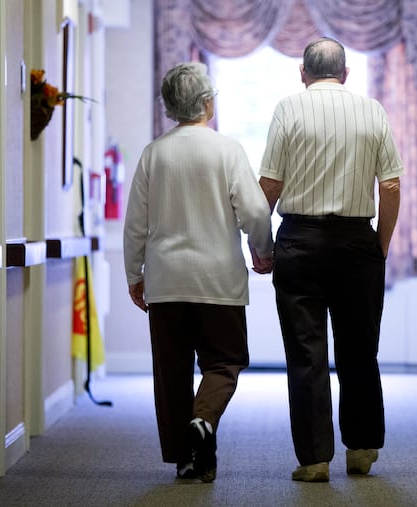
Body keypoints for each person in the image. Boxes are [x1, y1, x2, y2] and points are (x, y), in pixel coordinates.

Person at [256, 37, 403, 482]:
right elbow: (391, 187)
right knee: (360, 349)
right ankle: (361, 450)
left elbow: (269, 186)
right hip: (358, 241)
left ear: (302, 73)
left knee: (306, 353)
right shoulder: (372, 110)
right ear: (346, 73)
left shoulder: (288, 109)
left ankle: (315, 459)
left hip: (300, 240)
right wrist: (380, 244)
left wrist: (262, 246)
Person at [123, 62, 274, 483]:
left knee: (171, 372)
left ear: (170, 106)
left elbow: (136, 223)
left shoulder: (154, 153)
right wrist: (263, 251)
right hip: (217, 281)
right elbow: (256, 212)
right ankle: (204, 419)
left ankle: (186, 458)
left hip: (167, 281)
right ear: (207, 102)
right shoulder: (227, 150)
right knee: (225, 362)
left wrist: (134, 274)